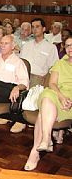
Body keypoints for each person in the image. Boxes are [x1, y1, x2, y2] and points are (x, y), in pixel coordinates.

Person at [0, 18, 59, 133]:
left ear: (44, 29)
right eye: (33, 27)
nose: (35, 29)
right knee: (8, 81)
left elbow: (53, 68)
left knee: (30, 85)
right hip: (23, 74)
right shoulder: (27, 45)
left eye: (37, 27)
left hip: (39, 77)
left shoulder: (51, 47)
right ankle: (9, 114)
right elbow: (20, 62)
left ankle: (21, 120)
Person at [24, 36, 72, 171]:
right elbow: (52, 83)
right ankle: (45, 139)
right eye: (67, 46)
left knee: (42, 114)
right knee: (47, 94)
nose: (70, 48)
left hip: (70, 100)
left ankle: (36, 152)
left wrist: (68, 100)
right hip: (57, 94)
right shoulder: (60, 63)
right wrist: (61, 96)